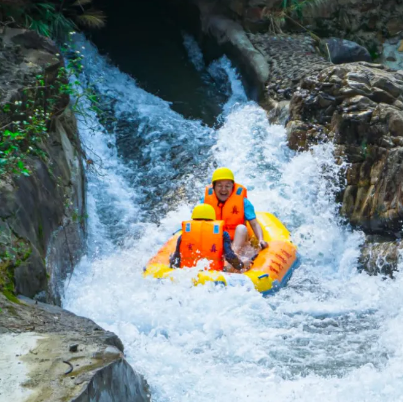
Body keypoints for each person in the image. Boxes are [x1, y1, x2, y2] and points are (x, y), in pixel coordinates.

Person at [201, 167, 268, 254]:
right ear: (213, 187)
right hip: (215, 243)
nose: (223, 189)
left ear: (233, 187)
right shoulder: (205, 202)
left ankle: (232, 257)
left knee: (241, 228)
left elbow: (254, 224)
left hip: (238, 242)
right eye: (219, 185)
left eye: (227, 186)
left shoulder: (244, 202)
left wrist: (261, 239)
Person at [170, 204, 252, 271]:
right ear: (213, 219)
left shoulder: (184, 235)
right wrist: (241, 265)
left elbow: (176, 257)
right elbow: (229, 256)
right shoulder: (222, 234)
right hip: (214, 273)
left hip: (189, 272)